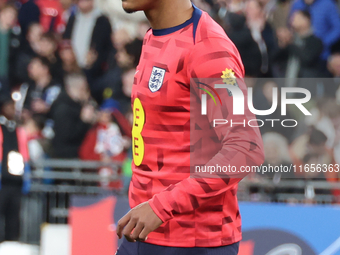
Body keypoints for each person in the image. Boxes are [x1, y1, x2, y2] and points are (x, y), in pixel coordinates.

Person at [116, 1, 264, 254]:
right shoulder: (153, 35)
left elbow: (246, 147)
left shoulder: (209, 48)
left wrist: (161, 207)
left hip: (194, 242)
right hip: (143, 234)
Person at [0, 94, 31, 242]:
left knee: (14, 218)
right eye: (9, 107)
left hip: (16, 181)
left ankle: (11, 244)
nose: (12, 110)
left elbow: (24, 155)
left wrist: (26, 179)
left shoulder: (18, 130)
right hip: (2, 181)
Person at [63, 0, 113, 83]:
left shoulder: (102, 20)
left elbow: (105, 47)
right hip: (72, 69)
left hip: (94, 73)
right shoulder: (72, 18)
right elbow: (66, 40)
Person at [50, 73, 96, 158]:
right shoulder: (63, 109)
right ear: (81, 88)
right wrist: (84, 121)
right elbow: (68, 136)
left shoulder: (78, 105)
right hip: (67, 157)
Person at [0, 4, 21, 88]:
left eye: (13, 15)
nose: (10, 17)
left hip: (7, 76)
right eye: (8, 14)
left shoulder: (15, 36)